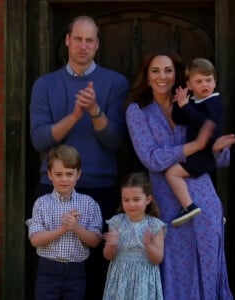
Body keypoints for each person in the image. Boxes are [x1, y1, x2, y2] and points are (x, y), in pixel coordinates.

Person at [125, 50, 235, 299]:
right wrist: (195, 146)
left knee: (209, 267)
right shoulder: (137, 112)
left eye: (168, 70)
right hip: (168, 204)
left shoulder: (194, 101)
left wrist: (217, 148)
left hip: (204, 200)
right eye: (155, 71)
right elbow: (151, 157)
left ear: (177, 75)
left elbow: (221, 158)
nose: (162, 76)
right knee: (175, 269)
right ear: (147, 77)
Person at [29, 15, 129, 299]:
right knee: (53, 267)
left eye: (90, 40)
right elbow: (40, 139)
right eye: (79, 39)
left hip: (100, 188)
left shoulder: (114, 83)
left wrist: (95, 111)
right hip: (55, 188)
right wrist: (74, 116)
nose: (84, 46)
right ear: (68, 41)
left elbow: (116, 141)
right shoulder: (45, 85)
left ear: (97, 44)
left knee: (98, 271)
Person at [26, 145, 102, 300]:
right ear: (49, 175)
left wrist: (75, 227)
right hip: (48, 270)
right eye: (58, 174)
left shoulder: (89, 204)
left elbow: (95, 241)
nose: (64, 179)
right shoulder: (41, 203)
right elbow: (35, 239)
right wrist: (63, 229)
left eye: (69, 174)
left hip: (76, 271)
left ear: (78, 174)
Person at [165, 58, 224, 227]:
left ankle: (188, 206)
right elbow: (179, 119)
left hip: (205, 153)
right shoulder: (195, 102)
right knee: (204, 185)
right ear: (189, 85)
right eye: (199, 81)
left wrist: (186, 107)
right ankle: (215, 211)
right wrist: (179, 104)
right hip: (197, 153)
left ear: (215, 81)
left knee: (172, 173)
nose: (205, 84)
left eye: (208, 80)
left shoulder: (214, 102)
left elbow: (204, 122)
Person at [102, 172, 166, 300]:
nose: (131, 204)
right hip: (119, 278)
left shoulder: (155, 225)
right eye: (126, 200)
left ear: (148, 199)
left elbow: (157, 259)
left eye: (136, 199)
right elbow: (108, 256)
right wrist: (111, 244)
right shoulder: (116, 222)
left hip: (144, 279)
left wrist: (148, 245)